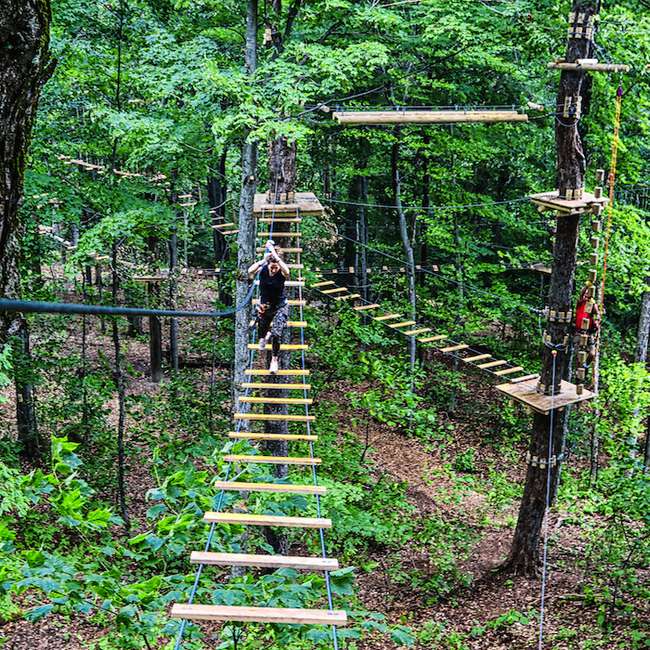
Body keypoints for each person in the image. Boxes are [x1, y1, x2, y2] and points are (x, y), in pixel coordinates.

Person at [247, 241, 290, 374]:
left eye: (276, 267)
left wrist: (274, 254)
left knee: (277, 334)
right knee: (262, 327)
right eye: (272, 267)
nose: (274, 269)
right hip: (265, 305)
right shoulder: (264, 269)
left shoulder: (282, 272)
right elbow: (250, 271)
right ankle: (263, 337)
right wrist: (263, 260)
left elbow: (287, 271)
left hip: (280, 306)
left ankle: (274, 361)